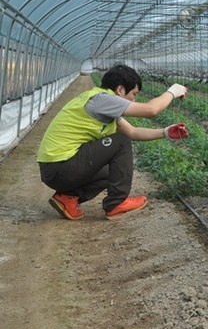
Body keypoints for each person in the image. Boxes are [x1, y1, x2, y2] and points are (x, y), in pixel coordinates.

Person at [37, 64, 189, 220]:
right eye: (134, 94)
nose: (134, 99)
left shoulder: (102, 103)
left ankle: (67, 198)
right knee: (121, 141)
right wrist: (173, 91)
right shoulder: (103, 100)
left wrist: (165, 132)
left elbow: (133, 132)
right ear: (120, 90)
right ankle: (117, 203)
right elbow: (151, 110)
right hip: (60, 167)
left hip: (56, 169)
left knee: (114, 170)